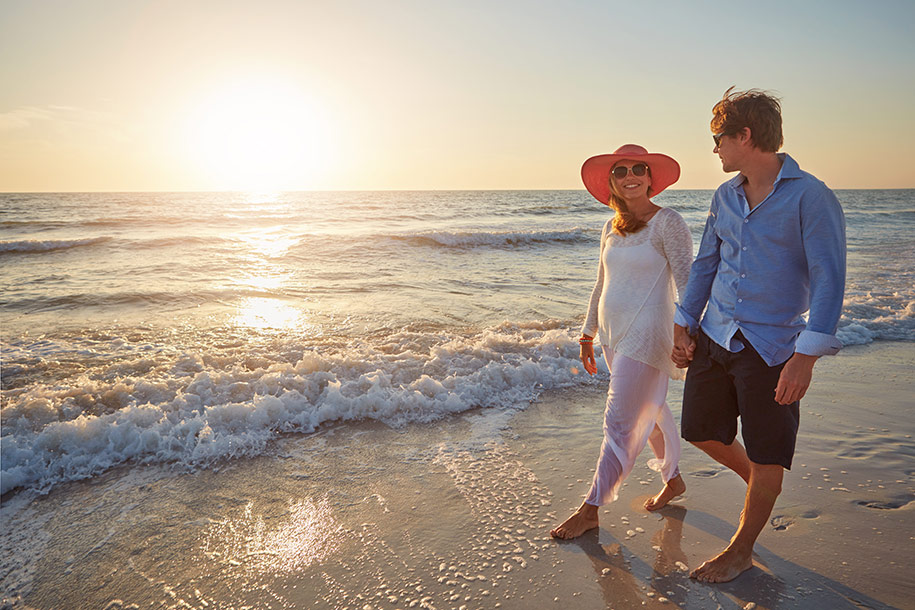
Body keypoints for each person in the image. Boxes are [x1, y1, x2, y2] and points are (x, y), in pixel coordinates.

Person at [672, 88, 846, 582]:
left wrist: (805, 357)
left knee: (770, 451)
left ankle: (742, 547)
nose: (715, 149)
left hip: (773, 347)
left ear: (744, 135)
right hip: (715, 334)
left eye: (718, 138)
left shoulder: (812, 196)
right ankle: (760, 486)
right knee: (701, 431)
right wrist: (685, 321)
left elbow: (830, 278)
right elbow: (707, 262)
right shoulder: (724, 195)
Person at [550, 144, 693, 540]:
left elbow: (688, 282)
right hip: (613, 335)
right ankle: (674, 478)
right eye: (621, 170)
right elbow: (602, 282)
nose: (630, 176)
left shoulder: (669, 222)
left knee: (619, 421)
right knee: (652, 412)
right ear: (611, 181)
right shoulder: (610, 227)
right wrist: (587, 333)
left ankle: (591, 508)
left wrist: (687, 331)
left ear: (650, 178)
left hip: (649, 335)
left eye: (638, 169)